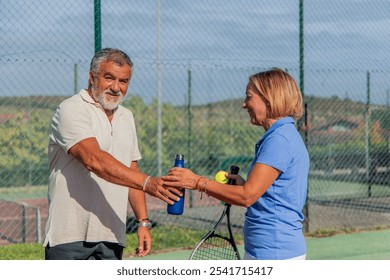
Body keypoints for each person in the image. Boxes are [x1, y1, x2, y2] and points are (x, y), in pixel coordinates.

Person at [43, 48, 181, 260]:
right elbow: (93, 160)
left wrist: (143, 222)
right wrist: (149, 183)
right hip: (69, 237)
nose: (116, 87)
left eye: (123, 81)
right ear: (92, 77)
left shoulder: (127, 116)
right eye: (109, 78)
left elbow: (131, 169)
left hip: (112, 235)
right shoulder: (71, 109)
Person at [163, 68, 310, 260]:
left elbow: (247, 196)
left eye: (249, 97)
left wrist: (197, 182)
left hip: (273, 252)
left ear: (269, 98)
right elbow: (271, 194)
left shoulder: (279, 140)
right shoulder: (286, 135)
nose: (244, 104)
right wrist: (243, 185)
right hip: (273, 249)